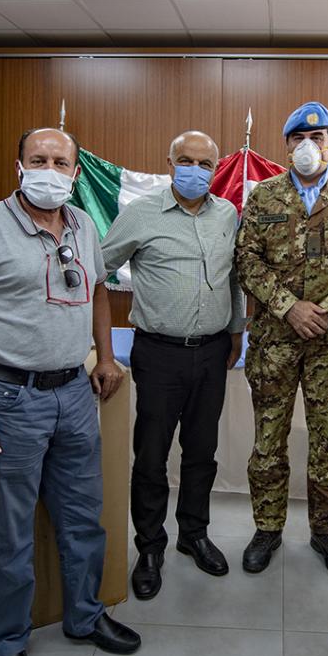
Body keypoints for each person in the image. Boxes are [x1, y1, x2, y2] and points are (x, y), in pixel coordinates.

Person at [0, 127, 141, 656]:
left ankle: (85, 615)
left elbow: (97, 292)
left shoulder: (83, 225)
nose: (50, 170)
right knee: (11, 532)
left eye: (60, 162)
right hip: (8, 398)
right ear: (19, 166)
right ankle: (5, 643)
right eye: (38, 160)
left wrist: (104, 356)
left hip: (73, 393)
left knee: (83, 518)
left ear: (76, 172)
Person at [234, 101, 328, 577]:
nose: (307, 146)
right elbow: (246, 261)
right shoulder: (264, 197)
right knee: (268, 442)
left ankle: (326, 532)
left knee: (327, 445)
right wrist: (288, 307)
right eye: (298, 138)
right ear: (286, 146)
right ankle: (267, 529)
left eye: (317, 138)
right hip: (274, 344)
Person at [101, 130, 245, 600]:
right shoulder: (141, 213)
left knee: (202, 451)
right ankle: (149, 547)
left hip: (213, 351)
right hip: (159, 353)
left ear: (216, 169)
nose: (195, 171)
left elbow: (234, 278)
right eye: (186, 160)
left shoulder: (227, 215)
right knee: (152, 455)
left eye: (205, 164)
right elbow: (97, 269)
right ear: (169, 163)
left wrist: (236, 331)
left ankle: (193, 534)